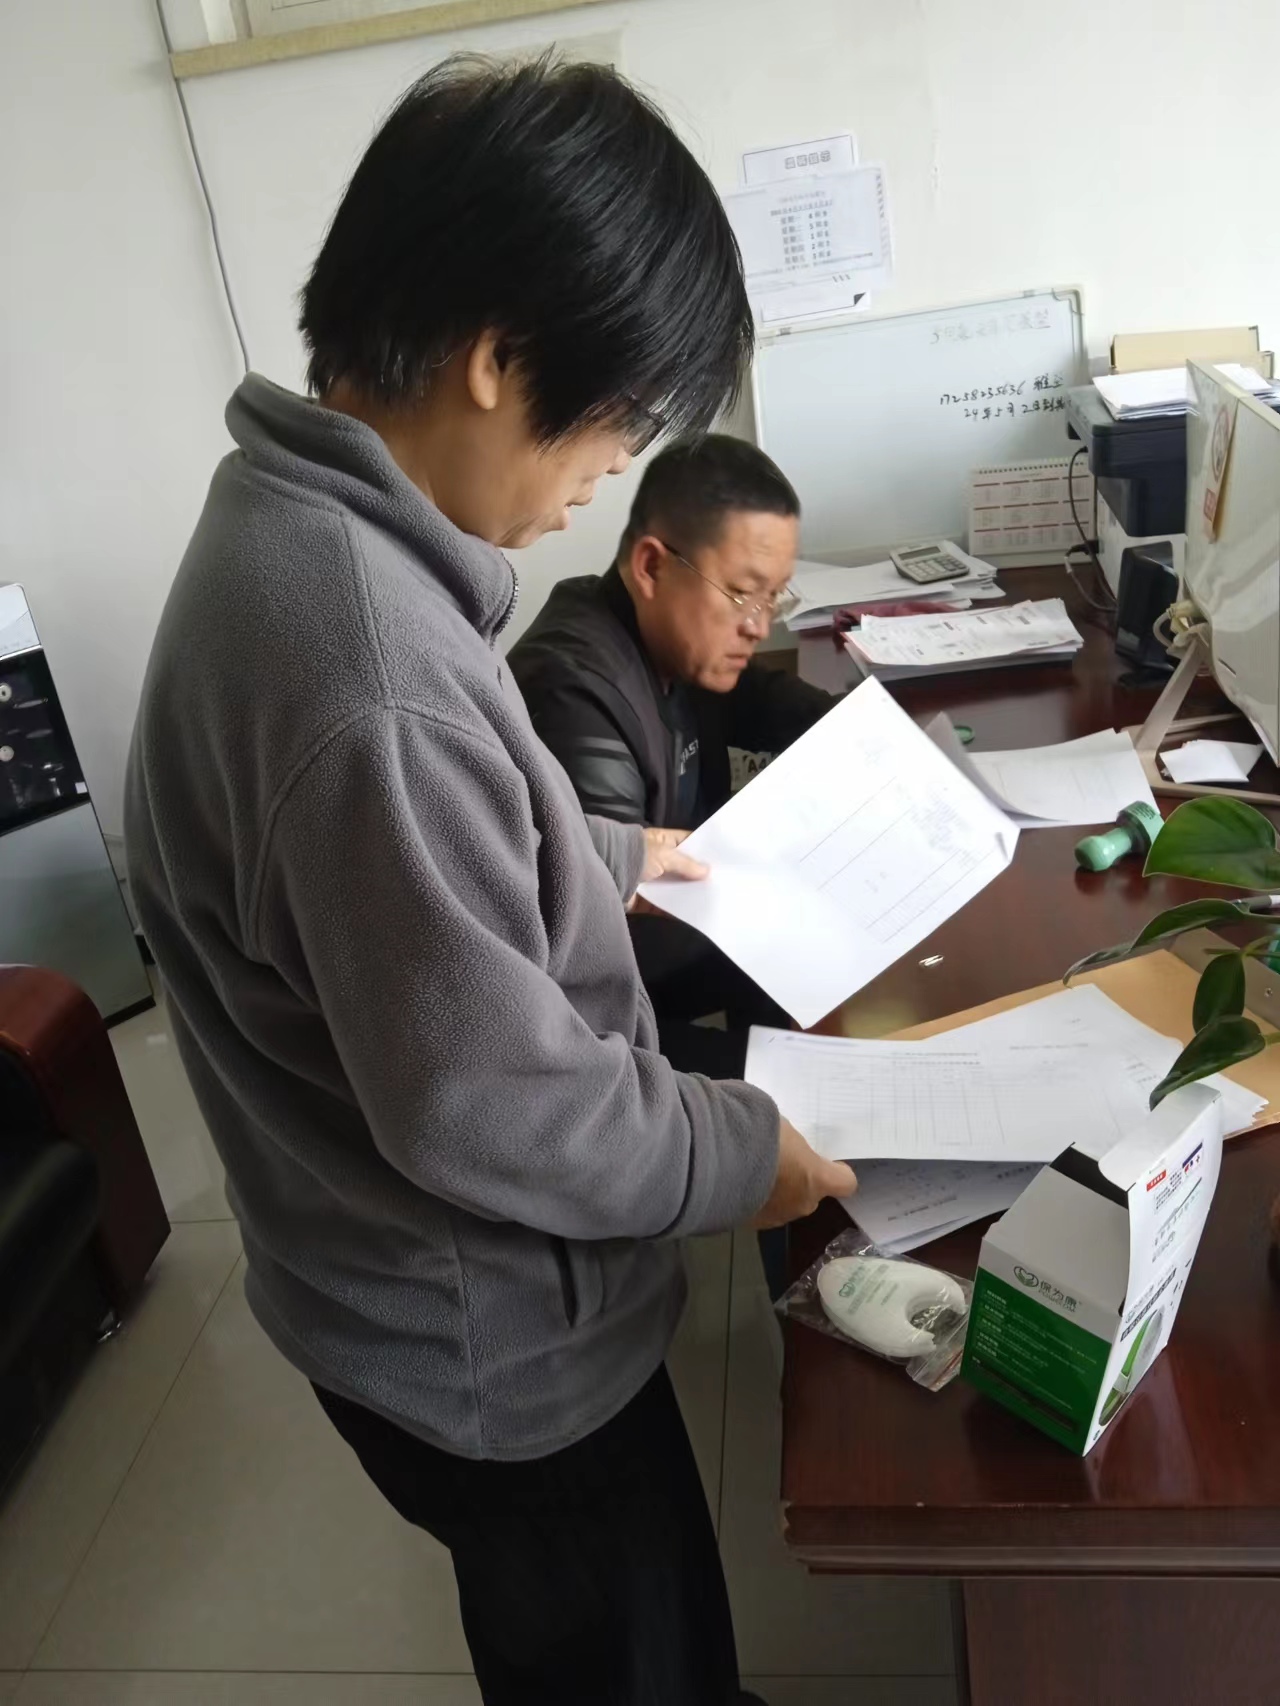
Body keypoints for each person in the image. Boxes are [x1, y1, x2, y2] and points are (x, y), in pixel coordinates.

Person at [124, 56, 854, 1706]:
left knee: (593, 1639)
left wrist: (608, 852)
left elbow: (412, 859)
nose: (609, 471)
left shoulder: (297, 534)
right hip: (492, 1347)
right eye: (615, 422)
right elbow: (492, 1101)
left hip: (397, 1298)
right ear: (498, 357)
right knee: (620, 1653)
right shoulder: (367, 670)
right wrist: (746, 1149)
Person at [509, 435, 842, 1082]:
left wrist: (872, 737)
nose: (759, 625)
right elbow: (611, 933)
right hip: (602, 1036)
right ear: (652, 567)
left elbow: (765, 699)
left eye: (774, 597)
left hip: (679, 949)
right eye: (743, 593)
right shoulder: (574, 692)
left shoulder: (678, 639)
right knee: (815, 1074)